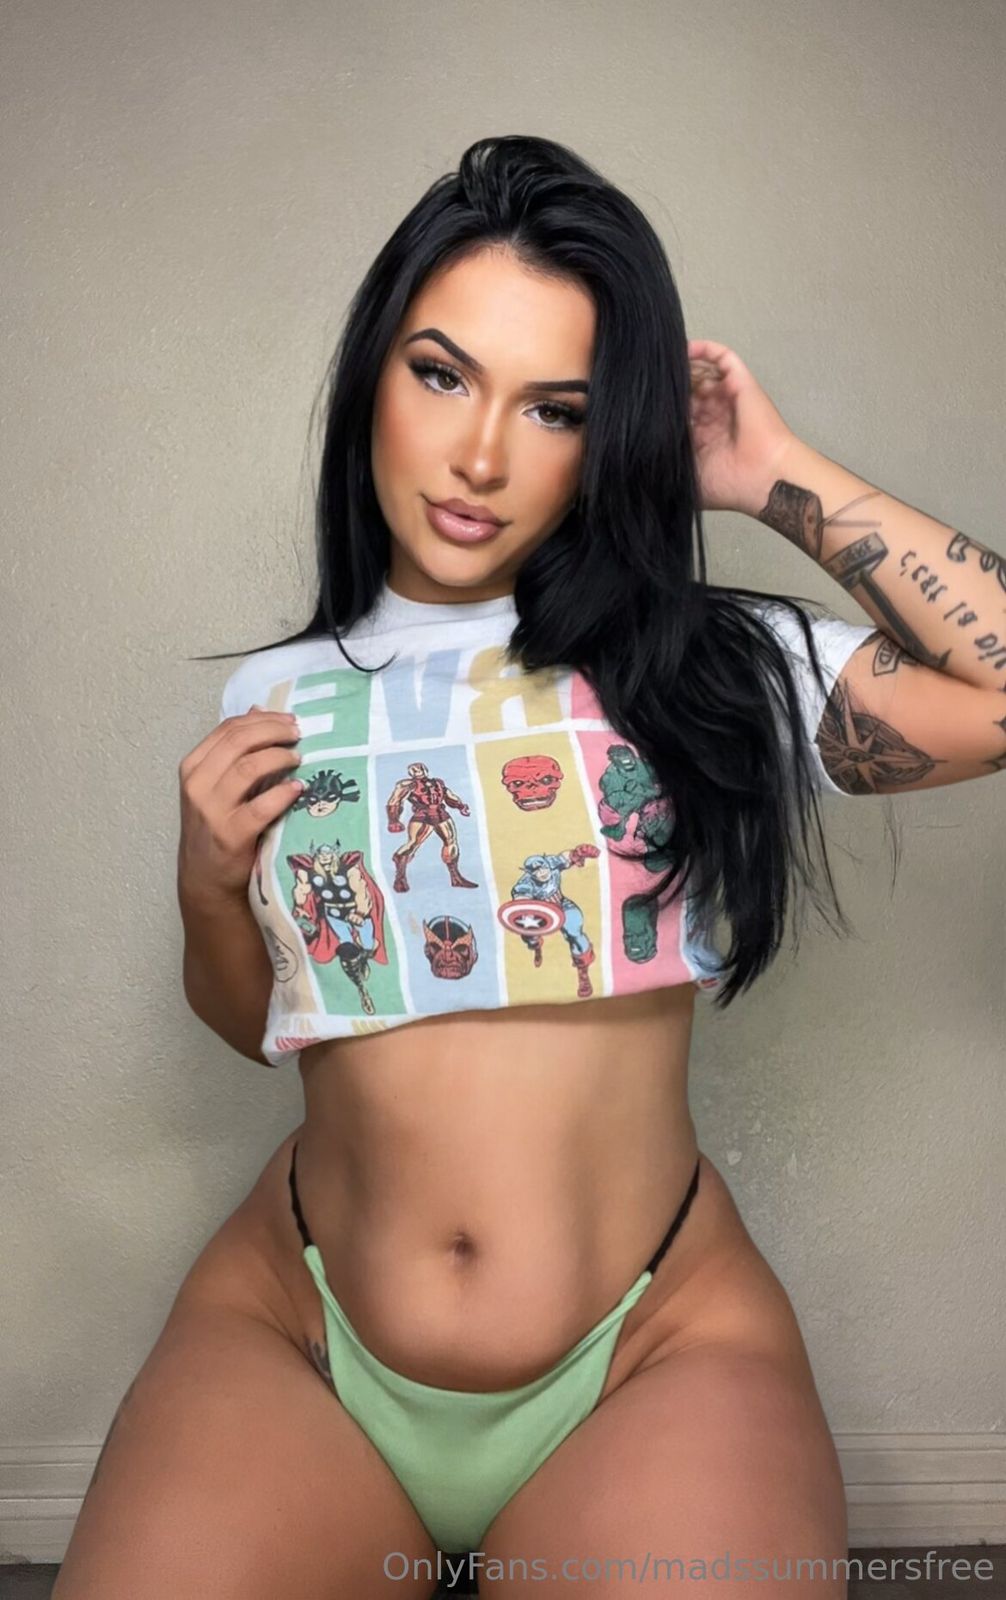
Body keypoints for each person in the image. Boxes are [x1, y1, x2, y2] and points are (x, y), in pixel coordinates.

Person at [55, 136, 1004, 1600]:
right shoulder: (276, 696)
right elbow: (263, 1025)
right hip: (301, 1327)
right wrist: (205, 889)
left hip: (647, 1346)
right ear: (374, 376)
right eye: (442, 375)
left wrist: (774, 478)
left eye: (556, 407)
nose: (482, 456)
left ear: (607, 436)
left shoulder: (709, 669)